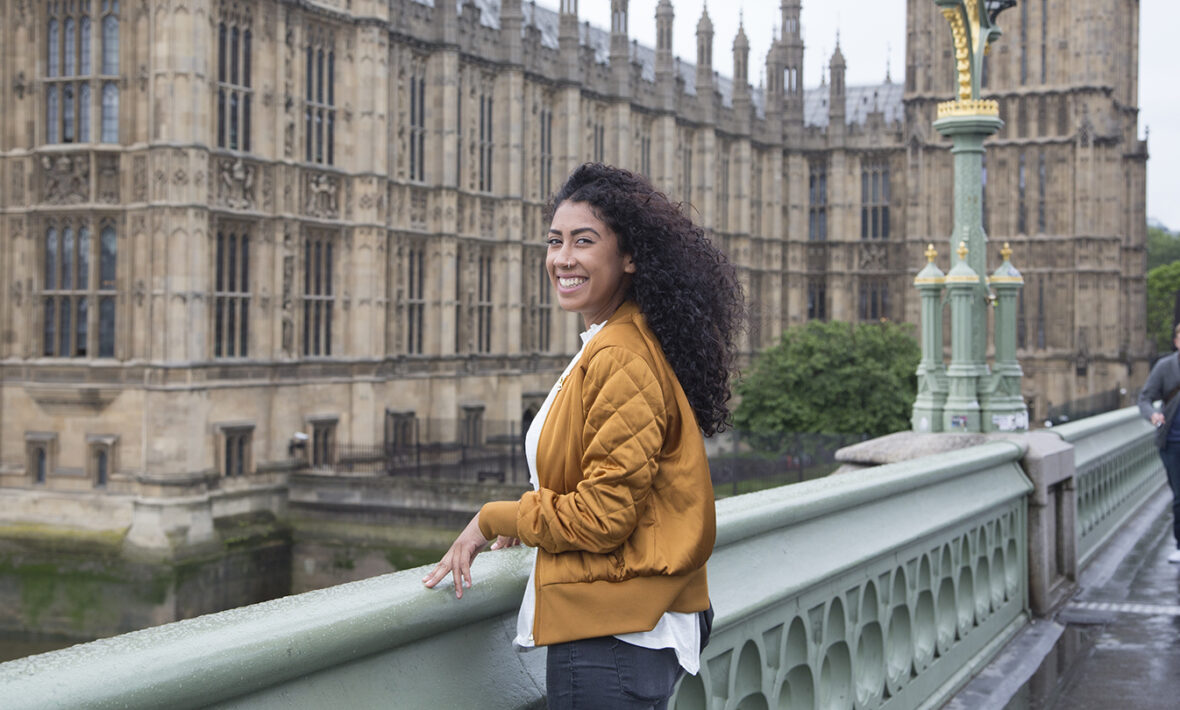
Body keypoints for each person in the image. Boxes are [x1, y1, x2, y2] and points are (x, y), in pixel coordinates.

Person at [423, 163, 744, 708]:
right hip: (626, 632)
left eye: (583, 241)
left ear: (630, 256)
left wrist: (494, 518)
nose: (562, 257)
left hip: (610, 637)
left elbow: (603, 516)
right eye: (555, 241)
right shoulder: (621, 339)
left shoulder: (620, 354)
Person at [1137, 322, 1180, 564]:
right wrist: (1152, 415)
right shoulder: (1166, 367)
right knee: (1179, 496)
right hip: (1173, 442)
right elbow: (1144, 398)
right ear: (1176, 342)